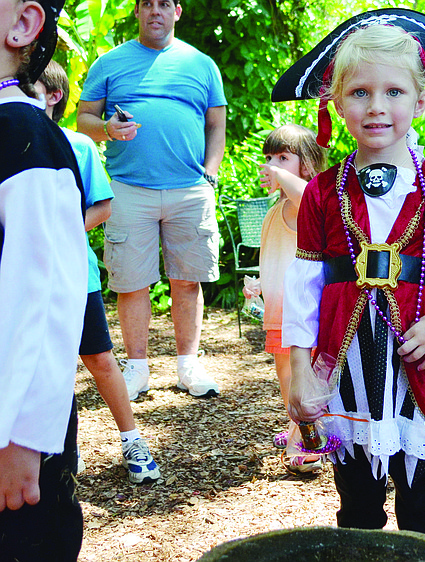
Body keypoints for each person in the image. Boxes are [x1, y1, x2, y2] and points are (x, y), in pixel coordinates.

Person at [272, 9, 425, 539]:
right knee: (356, 505)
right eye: (359, 93)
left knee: (423, 508)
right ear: (335, 102)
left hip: (416, 366)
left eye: (394, 93)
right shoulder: (322, 191)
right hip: (346, 369)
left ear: (420, 100)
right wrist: (299, 366)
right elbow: (304, 284)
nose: (376, 107)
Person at [77, 0, 227, 399]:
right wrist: (107, 127)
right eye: (147, 4)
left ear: (177, 11)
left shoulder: (202, 64)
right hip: (129, 188)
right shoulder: (109, 63)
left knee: (187, 280)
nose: (155, 11)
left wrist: (210, 174)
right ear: (138, 11)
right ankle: (137, 370)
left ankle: (188, 367)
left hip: (190, 189)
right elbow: (84, 119)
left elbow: (216, 124)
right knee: (131, 282)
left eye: (164, 4)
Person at [36, 60, 160, 485]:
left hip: (75, 274)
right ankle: (61, 449)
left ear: (52, 97)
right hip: (25, 277)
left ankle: (133, 441)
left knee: (99, 358)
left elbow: (103, 206)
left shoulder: (78, 145)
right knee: (43, 363)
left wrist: (56, 233)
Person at [0, 0, 88, 559]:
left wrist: (23, 436)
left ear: (22, 25)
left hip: (12, 437)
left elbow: (48, 290)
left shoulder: (20, 133)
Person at [241, 123, 327, 473]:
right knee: (285, 377)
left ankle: (306, 442)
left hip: (299, 312)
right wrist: (259, 285)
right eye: (270, 158)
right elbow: (275, 255)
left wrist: (280, 174)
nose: (272, 165)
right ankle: (300, 425)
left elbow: (306, 195)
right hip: (278, 309)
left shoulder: (302, 204)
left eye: (283, 158)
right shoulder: (277, 209)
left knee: (298, 376)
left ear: (305, 165)